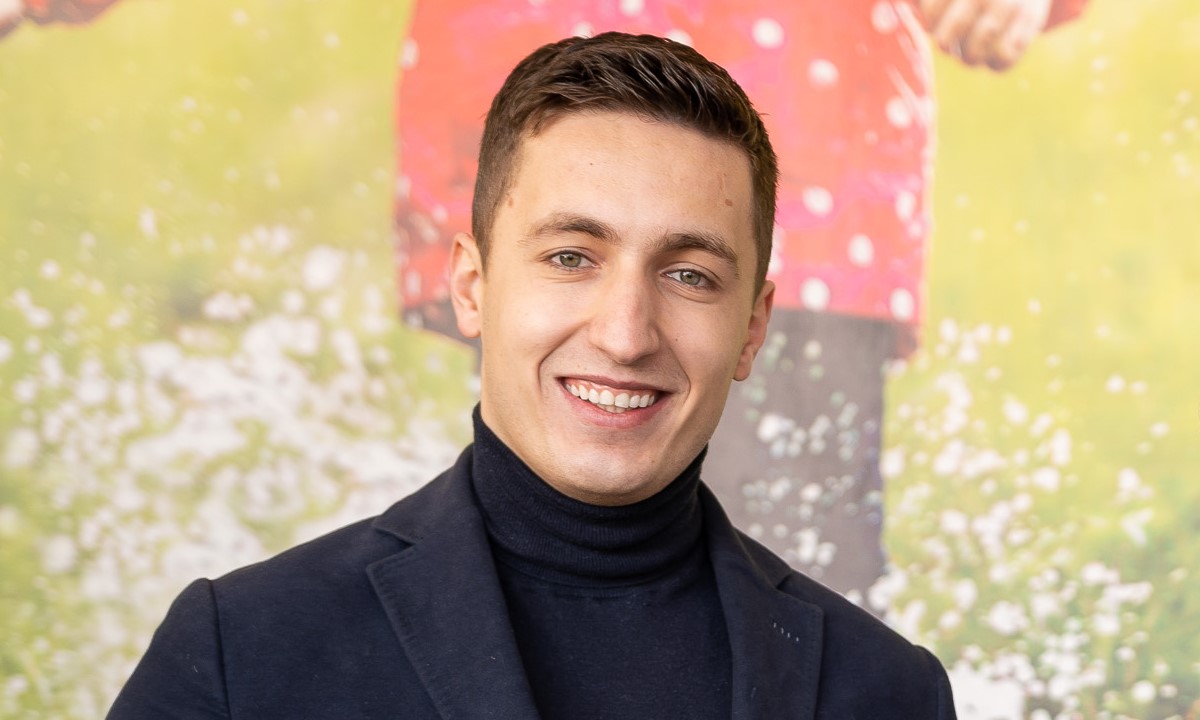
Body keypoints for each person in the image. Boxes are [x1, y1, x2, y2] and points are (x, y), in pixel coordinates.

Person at [109, 32, 957, 719]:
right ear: (471, 287)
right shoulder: (243, 652)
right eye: (570, 257)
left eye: (689, 274)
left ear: (753, 329)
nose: (625, 335)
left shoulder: (887, 692)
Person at [394, 0, 1087, 603]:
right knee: (538, 551)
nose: (625, 332)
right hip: (535, 101)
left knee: (804, 575)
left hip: (807, 124)